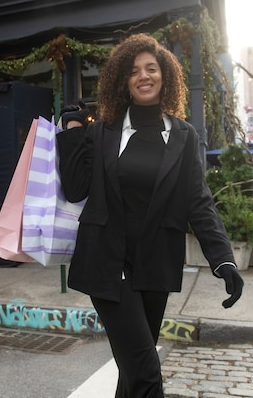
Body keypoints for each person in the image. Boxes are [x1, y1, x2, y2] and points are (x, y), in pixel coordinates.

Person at [56, 33, 243, 398]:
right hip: (108, 267)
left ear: (164, 76)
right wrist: (74, 130)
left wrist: (223, 261)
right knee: (146, 374)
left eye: (151, 68)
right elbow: (76, 188)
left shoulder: (183, 135)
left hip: (155, 268)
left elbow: (199, 201)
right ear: (123, 81)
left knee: (132, 374)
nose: (144, 76)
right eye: (134, 70)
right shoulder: (104, 131)